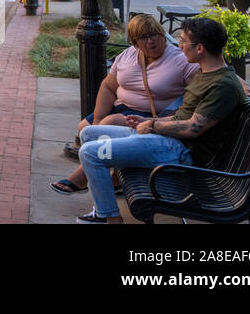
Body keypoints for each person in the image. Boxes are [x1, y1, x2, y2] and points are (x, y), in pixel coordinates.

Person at [75, 16, 250, 224]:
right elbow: (184, 115)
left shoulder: (222, 85)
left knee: (91, 153)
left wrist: (154, 125)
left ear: (200, 48)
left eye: (183, 41)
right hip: (168, 140)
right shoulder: (206, 73)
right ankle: (105, 205)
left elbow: (193, 128)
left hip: (180, 152)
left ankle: (109, 216)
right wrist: (147, 120)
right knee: (89, 133)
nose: (179, 45)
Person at [51, 14, 196, 194]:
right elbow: (108, 86)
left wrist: (167, 118)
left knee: (107, 126)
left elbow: (200, 87)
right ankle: (114, 179)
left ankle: (84, 178)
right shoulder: (127, 55)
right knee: (85, 127)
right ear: (135, 43)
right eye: (144, 37)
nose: (151, 41)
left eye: (155, 35)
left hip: (149, 115)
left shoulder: (179, 59)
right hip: (121, 106)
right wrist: (96, 119)